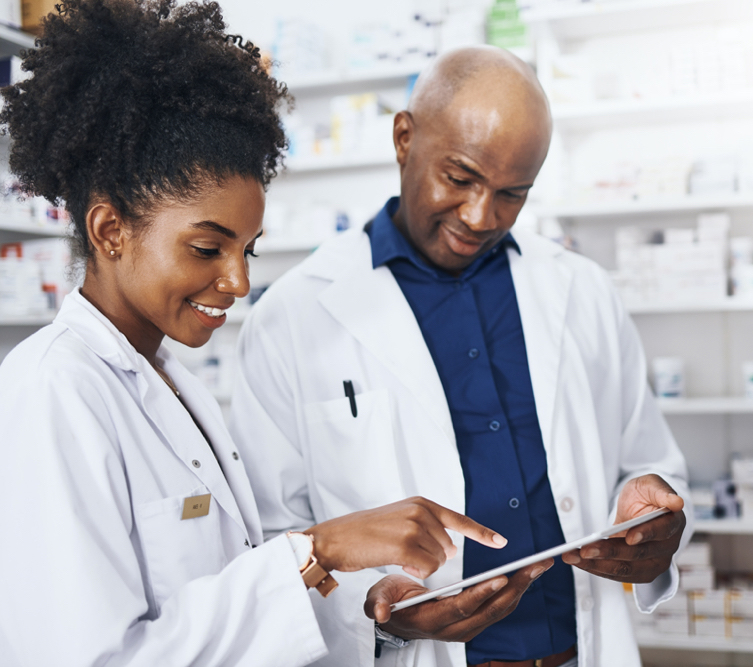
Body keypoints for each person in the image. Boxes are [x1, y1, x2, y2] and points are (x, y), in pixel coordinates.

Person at [0, 3, 510, 666]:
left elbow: (225, 606)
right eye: (208, 248)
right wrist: (316, 549)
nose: (238, 283)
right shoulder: (50, 390)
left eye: (249, 250)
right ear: (109, 229)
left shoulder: (175, 383)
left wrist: (380, 611)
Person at [230, 46, 692, 667]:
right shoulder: (292, 318)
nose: (481, 216)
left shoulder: (580, 290)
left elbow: (648, 463)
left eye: (512, 193)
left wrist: (650, 515)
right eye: (460, 178)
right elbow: (273, 542)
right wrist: (379, 609)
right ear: (404, 138)